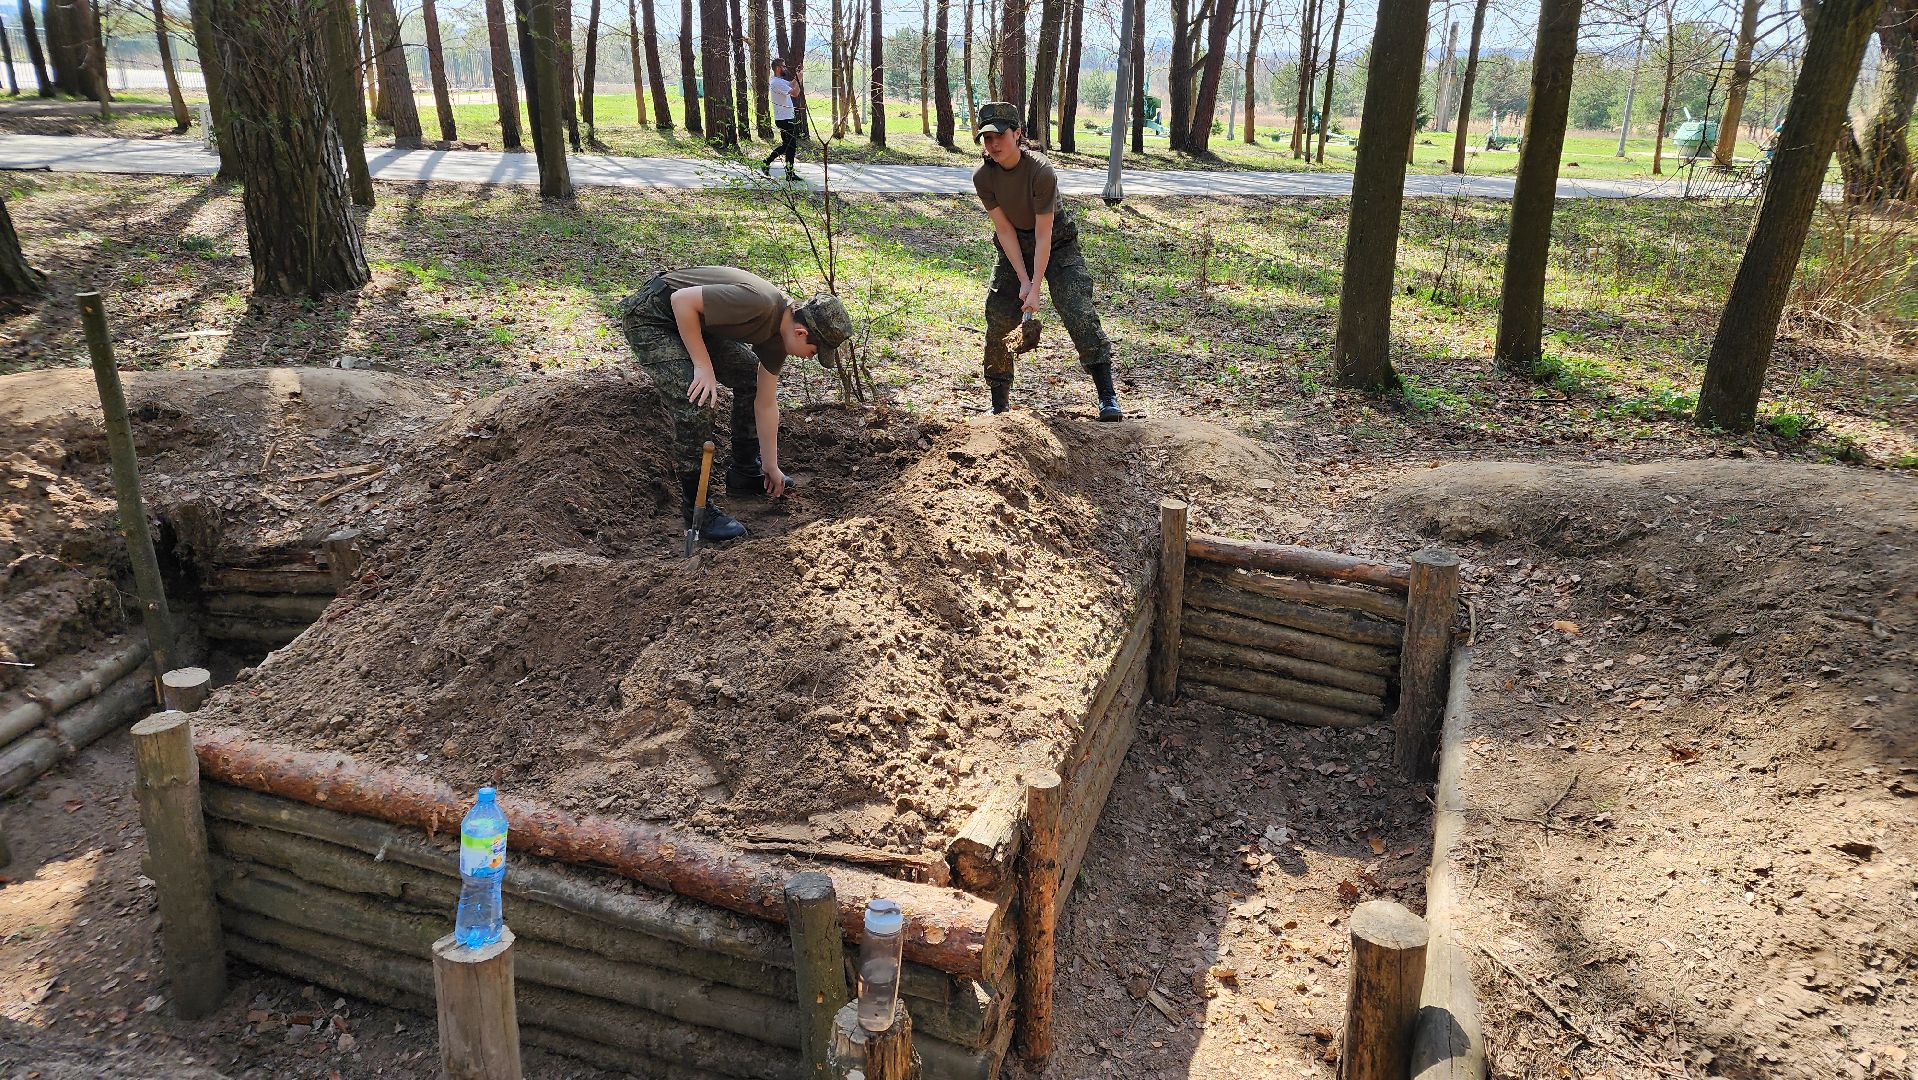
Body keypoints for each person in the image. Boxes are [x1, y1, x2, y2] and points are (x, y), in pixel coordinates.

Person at [617, 267, 852, 542]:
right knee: (697, 400)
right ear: (801, 333)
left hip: (692, 321)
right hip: (654, 316)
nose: (810, 358)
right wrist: (702, 366)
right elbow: (681, 301)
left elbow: (764, 402)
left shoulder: (779, 337)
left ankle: (745, 471)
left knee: (750, 378)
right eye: (814, 352)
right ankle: (698, 512)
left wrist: (771, 465)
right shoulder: (760, 304)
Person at [971, 101, 1122, 421]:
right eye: (986, 138)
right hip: (1014, 250)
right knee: (999, 315)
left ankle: (1107, 395)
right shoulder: (983, 177)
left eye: (999, 136)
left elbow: (1044, 235)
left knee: (1075, 305)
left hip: (1057, 245)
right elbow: (1005, 232)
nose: (993, 144)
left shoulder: (1040, 171)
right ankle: (999, 404)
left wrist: (1036, 287)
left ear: (1017, 134)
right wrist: (1023, 282)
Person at [762, 60, 803, 179]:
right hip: (784, 119)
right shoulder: (776, 83)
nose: (786, 68)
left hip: (786, 117)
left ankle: (768, 162)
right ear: (778, 68)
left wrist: (798, 75)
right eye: (784, 66)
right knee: (790, 146)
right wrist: (800, 78)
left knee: (787, 145)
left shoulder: (779, 81)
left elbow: (791, 84)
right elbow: (795, 93)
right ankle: (788, 173)